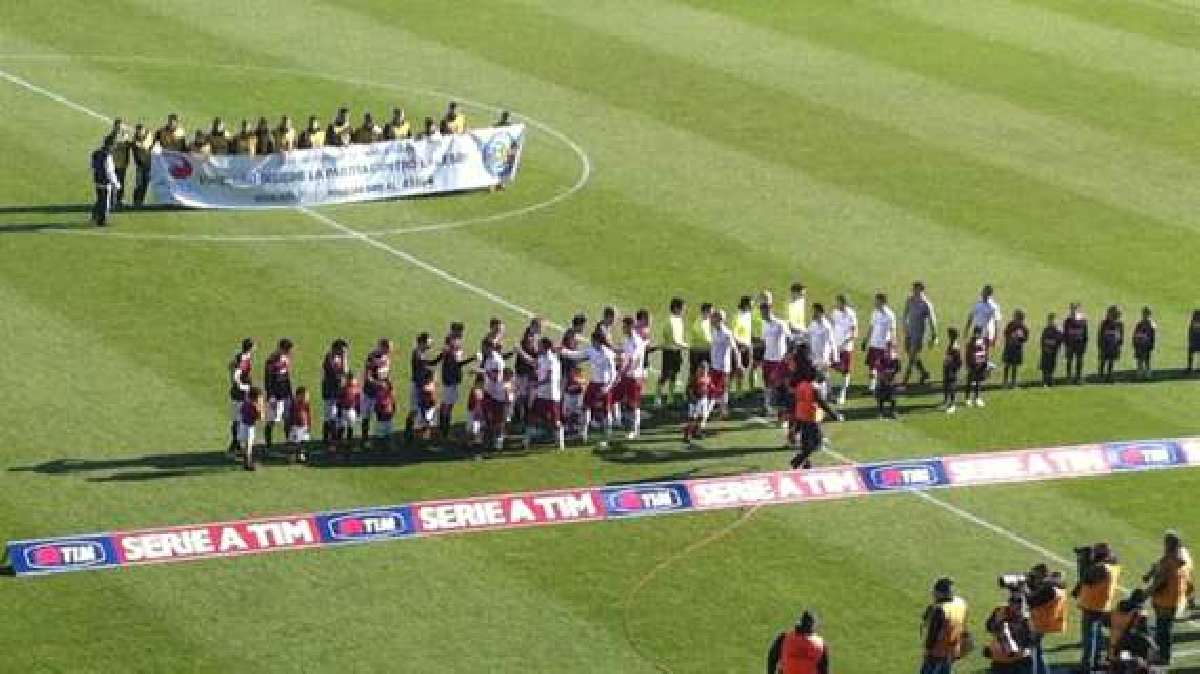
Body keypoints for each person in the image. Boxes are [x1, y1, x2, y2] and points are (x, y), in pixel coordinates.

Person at [1146, 531, 1192, 665]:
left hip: (1164, 601)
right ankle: (1165, 655)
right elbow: (1188, 582)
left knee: (1162, 631)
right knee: (1165, 629)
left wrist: (1144, 594)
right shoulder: (1183, 560)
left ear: (1169, 544)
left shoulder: (1169, 562)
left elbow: (1159, 581)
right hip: (1174, 600)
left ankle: (1163, 656)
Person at [1075, 542, 1122, 672]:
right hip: (1102, 604)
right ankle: (1096, 660)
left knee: (1089, 638)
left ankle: (1087, 665)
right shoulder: (1112, 565)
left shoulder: (1101, 568)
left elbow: (1085, 577)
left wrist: (1082, 561)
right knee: (1097, 636)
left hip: (1093, 606)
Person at [788, 367, 841, 469]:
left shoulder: (801, 385)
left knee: (805, 442)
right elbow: (822, 403)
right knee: (816, 443)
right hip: (810, 417)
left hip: (801, 415)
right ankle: (797, 461)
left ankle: (806, 464)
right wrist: (834, 415)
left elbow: (795, 400)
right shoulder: (814, 388)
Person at [921, 577, 969, 674]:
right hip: (953, 649)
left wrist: (927, 650)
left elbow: (933, 634)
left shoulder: (940, 610)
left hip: (937, 653)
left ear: (940, 593)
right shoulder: (961, 602)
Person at [525, 337, 564, 450]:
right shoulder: (542, 357)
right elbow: (533, 363)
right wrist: (520, 352)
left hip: (551, 395)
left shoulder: (552, 360)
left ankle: (560, 442)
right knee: (532, 417)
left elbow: (549, 378)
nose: (538, 347)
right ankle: (527, 440)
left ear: (545, 347)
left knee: (555, 421)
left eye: (540, 345)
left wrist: (536, 384)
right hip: (541, 394)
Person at [1026, 565, 1067, 674]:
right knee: (1038, 651)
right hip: (1047, 621)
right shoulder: (1056, 586)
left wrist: (1023, 589)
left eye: (1035, 576)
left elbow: (1031, 601)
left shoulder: (1048, 589)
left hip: (1040, 623)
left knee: (1031, 653)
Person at [438, 326, 474, 440]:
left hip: (450, 378)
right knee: (448, 405)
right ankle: (444, 432)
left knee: (447, 404)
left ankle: (442, 429)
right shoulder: (452, 344)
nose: (462, 334)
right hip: (450, 379)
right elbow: (457, 363)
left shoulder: (451, 343)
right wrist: (472, 358)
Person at [405, 333, 442, 442]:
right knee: (416, 410)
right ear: (423, 342)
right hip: (418, 386)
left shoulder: (421, 353)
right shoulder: (417, 354)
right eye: (429, 340)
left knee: (420, 410)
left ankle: (415, 434)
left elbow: (428, 364)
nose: (431, 342)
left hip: (421, 385)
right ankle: (410, 434)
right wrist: (432, 371)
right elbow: (427, 365)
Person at [618, 316, 650, 439]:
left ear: (630, 327)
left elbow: (634, 360)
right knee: (627, 401)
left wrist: (625, 371)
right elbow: (625, 355)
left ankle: (635, 430)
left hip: (635, 377)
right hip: (628, 375)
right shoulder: (628, 340)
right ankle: (630, 425)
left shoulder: (637, 341)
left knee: (634, 404)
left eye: (624, 326)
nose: (622, 328)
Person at [901, 281, 938, 386]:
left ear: (921, 289)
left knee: (912, 358)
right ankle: (924, 373)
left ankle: (904, 382)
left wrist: (934, 336)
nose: (913, 290)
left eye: (915, 288)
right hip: (909, 332)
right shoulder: (910, 300)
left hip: (919, 335)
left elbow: (932, 320)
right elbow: (905, 314)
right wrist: (905, 327)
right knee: (909, 353)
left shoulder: (926, 304)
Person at [983, 594, 1031, 673]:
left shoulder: (1026, 618)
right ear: (1010, 603)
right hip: (1000, 660)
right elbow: (989, 627)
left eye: (1019, 605)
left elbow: (1031, 639)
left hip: (1020, 660)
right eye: (1014, 604)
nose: (1017, 607)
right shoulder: (1001, 611)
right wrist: (998, 620)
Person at [262, 338, 295, 451]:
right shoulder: (271, 361)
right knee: (272, 420)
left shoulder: (286, 359)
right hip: (275, 396)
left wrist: (290, 394)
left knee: (288, 419)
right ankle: (268, 444)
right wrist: (271, 396)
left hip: (286, 394)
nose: (289, 353)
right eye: (287, 350)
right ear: (281, 348)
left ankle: (289, 441)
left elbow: (287, 378)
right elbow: (268, 380)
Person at [762, 301, 793, 418]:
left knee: (779, 386)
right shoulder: (764, 324)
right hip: (767, 358)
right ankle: (768, 407)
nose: (763, 314)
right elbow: (765, 341)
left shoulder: (780, 324)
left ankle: (783, 411)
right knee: (767, 384)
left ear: (770, 310)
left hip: (779, 360)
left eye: (765, 311)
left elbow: (790, 339)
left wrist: (787, 355)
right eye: (762, 311)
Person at [655, 297, 688, 407]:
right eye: (682, 308)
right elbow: (674, 339)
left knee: (674, 374)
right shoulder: (670, 321)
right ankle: (658, 397)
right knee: (665, 374)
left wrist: (682, 345)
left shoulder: (679, 320)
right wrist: (687, 346)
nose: (684, 310)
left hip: (677, 351)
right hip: (669, 351)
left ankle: (670, 397)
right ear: (676, 308)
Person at [1108, 590, 1153, 670]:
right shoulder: (1139, 613)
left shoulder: (1115, 612)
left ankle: (1118, 664)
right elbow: (1145, 632)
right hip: (1126, 647)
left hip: (1113, 650)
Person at [361, 338, 393, 446]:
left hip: (381, 394)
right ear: (382, 347)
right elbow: (367, 377)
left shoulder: (387, 358)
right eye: (388, 348)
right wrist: (378, 383)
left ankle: (381, 439)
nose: (389, 351)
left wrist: (389, 387)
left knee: (382, 415)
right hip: (369, 392)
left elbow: (386, 375)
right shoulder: (372, 357)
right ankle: (365, 439)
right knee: (366, 416)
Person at [710, 309, 741, 419]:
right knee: (714, 388)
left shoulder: (726, 333)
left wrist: (738, 364)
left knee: (722, 389)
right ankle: (720, 409)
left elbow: (735, 349)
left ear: (719, 320)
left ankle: (724, 411)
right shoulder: (714, 331)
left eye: (713, 318)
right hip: (714, 365)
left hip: (723, 367)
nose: (711, 320)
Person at [863, 293, 896, 394]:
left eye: (877, 301)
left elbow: (893, 330)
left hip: (883, 345)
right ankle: (872, 387)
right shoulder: (875, 313)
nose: (875, 303)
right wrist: (865, 340)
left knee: (882, 368)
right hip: (874, 343)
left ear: (883, 302)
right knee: (872, 366)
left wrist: (892, 345)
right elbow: (871, 327)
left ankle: (883, 387)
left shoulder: (890, 314)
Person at [227, 338, 255, 455]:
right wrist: (243, 386)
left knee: (237, 419)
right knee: (239, 419)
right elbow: (236, 375)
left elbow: (230, 366)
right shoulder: (243, 359)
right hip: (240, 394)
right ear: (251, 347)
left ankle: (236, 444)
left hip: (237, 393)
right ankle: (235, 444)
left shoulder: (240, 356)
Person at [320, 339, 350, 448]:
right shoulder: (331, 357)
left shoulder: (338, 357)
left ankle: (337, 439)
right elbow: (344, 371)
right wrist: (344, 358)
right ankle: (331, 440)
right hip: (330, 391)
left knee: (340, 416)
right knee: (331, 416)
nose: (344, 352)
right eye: (342, 350)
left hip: (339, 391)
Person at [481, 339, 509, 452]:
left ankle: (498, 441)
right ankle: (489, 439)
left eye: (484, 347)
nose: (482, 349)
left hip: (498, 394)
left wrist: (482, 372)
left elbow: (496, 378)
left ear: (490, 348)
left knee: (498, 420)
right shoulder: (488, 358)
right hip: (489, 392)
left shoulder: (497, 360)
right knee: (488, 417)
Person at [964, 285, 1002, 366]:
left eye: (985, 293)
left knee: (984, 351)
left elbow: (996, 322)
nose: (983, 294)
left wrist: (996, 337)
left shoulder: (993, 307)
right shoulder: (978, 304)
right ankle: (974, 367)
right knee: (974, 349)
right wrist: (966, 330)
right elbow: (970, 317)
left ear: (989, 294)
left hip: (987, 332)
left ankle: (983, 368)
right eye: (983, 292)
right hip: (977, 330)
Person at [830, 294, 858, 406]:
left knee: (846, 371)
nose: (837, 304)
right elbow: (831, 327)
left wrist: (845, 343)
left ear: (844, 303)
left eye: (839, 302)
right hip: (835, 346)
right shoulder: (835, 313)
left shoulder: (851, 314)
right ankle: (828, 392)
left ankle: (842, 394)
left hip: (846, 348)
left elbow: (855, 332)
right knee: (829, 366)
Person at [89, 136, 120, 227]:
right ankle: (102, 220)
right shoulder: (108, 156)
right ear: (110, 145)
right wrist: (116, 183)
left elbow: (92, 166)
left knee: (100, 199)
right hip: (105, 181)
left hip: (97, 180)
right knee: (106, 201)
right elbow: (109, 171)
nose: (115, 147)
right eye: (114, 145)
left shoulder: (96, 153)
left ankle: (94, 216)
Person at [683, 362, 713, 446]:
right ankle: (687, 434)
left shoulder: (708, 378)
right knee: (693, 418)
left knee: (702, 416)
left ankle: (697, 432)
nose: (704, 371)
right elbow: (689, 390)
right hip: (695, 400)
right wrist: (692, 398)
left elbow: (710, 387)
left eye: (706, 369)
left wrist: (711, 394)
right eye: (702, 369)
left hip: (704, 399)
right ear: (699, 369)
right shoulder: (694, 378)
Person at [104, 118, 132, 207]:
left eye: (120, 126)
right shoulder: (110, 137)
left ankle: (119, 200)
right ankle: (111, 200)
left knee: (121, 182)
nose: (119, 128)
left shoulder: (125, 136)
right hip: (113, 164)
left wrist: (127, 160)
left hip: (122, 163)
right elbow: (108, 148)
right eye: (118, 126)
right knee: (112, 182)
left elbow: (128, 148)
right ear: (115, 126)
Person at [238, 386, 265, 471]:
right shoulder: (254, 406)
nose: (261, 399)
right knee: (249, 445)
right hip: (249, 427)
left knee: (245, 444)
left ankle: (246, 461)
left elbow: (241, 411)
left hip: (243, 425)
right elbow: (261, 417)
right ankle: (248, 464)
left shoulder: (246, 403)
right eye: (260, 398)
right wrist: (261, 408)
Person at [1000, 309, 1029, 389]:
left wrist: (1021, 338)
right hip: (1009, 348)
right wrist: (1011, 337)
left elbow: (1026, 338)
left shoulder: (1023, 327)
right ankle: (1005, 383)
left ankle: (1013, 383)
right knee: (1007, 365)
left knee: (1014, 366)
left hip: (1017, 349)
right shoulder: (1011, 324)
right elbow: (1005, 333)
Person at [733, 296, 755, 396]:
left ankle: (740, 390)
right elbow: (734, 334)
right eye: (751, 303)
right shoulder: (738, 317)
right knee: (737, 370)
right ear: (745, 305)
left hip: (747, 346)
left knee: (744, 368)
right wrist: (742, 343)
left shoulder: (748, 315)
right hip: (740, 347)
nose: (752, 305)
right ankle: (735, 391)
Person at [335, 374, 362, 453]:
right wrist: (339, 411)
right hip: (344, 410)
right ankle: (338, 443)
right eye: (350, 380)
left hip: (352, 410)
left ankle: (349, 443)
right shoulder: (343, 389)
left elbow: (358, 402)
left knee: (351, 427)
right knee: (341, 427)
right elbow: (339, 400)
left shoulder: (357, 390)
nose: (352, 381)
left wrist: (358, 411)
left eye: (353, 380)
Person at [1062, 303, 1088, 385]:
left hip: (1079, 344)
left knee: (1079, 361)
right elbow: (1065, 334)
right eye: (1072, 309)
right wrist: (1066, 344)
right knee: (1069, 361)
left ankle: (1078, 377)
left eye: (1075, 309)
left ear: (1078, 309)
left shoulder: (1083, 320)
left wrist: (1084, 344)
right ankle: (1069, 377)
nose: (1073, 310)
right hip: (1070, 344)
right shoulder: (1067, 320)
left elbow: (1085, 334)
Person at [938, 328, 963, 414]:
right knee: (946, 385)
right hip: (947, 369)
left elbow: (959, 362)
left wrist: (953, 369)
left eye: (950, 335)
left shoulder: (955, 347)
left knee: (951, 387)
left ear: (953, 336)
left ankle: (952, 405)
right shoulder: (951, 344)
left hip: (951, 370)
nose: (948, 336)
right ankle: (946, 401)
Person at [875, 341, 901, 419]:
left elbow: (896, 371)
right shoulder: (881, 359)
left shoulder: (896, 361)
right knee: (880, 396)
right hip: (882, 381)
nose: (888, 353)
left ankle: (893, 411)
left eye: (890, 351)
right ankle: (880, 412)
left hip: (891, 382)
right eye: (887, 351)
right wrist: (883, 376)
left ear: (893, 351)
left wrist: (889, 374)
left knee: (893, 397)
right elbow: (879, 371)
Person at [1098, 305, 1124, 383]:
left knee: (1111, 361)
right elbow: (1100, 335)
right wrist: (1100, 345)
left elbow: (1121, 335)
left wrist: (1119, 345)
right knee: (1103, 361)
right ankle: (1101, 375)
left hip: (1114, 346)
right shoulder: (1104, 323)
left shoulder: (1119, 324)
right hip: (1105, 345)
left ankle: (1109, 376)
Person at [130, 123, 154, 207]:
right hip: (140, 166)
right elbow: (138, 148)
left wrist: (138, 144)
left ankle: (141, 201)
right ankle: (136, 201)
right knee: (139, 184)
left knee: (145, 184)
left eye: (141, 131)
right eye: (138, 132)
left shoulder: (148, 136)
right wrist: (137, 144)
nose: (139, 133)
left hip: (148, 165)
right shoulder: (134, 139)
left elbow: (145, 145)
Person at [287, 386, 312, 463]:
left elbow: (309, 414)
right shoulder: (293, 403)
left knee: (303, 441)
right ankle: (292, 456)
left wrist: (309, 425)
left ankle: (301, 455)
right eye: (305, 396)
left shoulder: (306, 404)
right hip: (296, 426)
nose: (307, 398)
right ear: (299, 395)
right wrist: (291, 425)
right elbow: (291, 415)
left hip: (304, 426)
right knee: (294, 442)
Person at [964, 326, 988, 407]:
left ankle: (977, 398)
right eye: (976, 333)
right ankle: (967, 398)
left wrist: (985, 363)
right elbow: (968, 355)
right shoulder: (971, 342)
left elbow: (985, 353)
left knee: (978, 382)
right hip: (973, 365)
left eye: (979, 333)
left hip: (981, 365)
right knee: (970, 382)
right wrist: (968, 365)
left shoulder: (983, 341)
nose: (978, 335)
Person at [689, 302, 713, 379]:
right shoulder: (699, 323)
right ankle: (691, 389)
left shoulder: (708, 321)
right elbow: (705, 338)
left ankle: (704, 388)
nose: (712, 313)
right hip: (698, 351)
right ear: (706, 311)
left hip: (706, 350)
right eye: (711, 311)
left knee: (707, 371)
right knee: (695, 372)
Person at [1038, 313, 1062, 387]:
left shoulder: (1057, 330)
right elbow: (1042, 340)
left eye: (1053, 321)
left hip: (1053, 352)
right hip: (1046, 351)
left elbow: (1059, 340)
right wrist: (1045, 348)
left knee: (1051, 366)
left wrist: (1055, 347)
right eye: (1050, 320)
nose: (1051, 322)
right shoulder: (1046, 329)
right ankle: (1045, 381)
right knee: (1045, 367)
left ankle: (1050, 380)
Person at [1131, 306, 1156, 380]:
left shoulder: (1151, 324)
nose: (1145, 316)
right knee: (1139, 359)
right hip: (1139, 344)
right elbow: (1135, 334)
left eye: (1147, 314)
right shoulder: (1139, 324)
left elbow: (1152, 336)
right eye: (1144, 314)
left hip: (1146, 344)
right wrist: (1135, 342)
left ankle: (1148, 373)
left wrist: (1151, 344)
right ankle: (1139, 373)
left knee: (1147, 359)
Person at [466, 373, 486, 451]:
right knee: (473, 429)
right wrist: (476, 412)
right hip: (474, 412)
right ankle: (471, 443)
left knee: (479, 428)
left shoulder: (482, 390)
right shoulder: (475, 390)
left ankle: (477, 443)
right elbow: (473, 403)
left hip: (479, 412)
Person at [1189, 310, 1200, 374]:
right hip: (1194, 342)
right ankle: (1190, 367)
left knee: (1191, 354)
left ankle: (1190, 367)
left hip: (1194, 342)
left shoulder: (1193, 323)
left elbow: (1190, 332)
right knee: (1191, 354)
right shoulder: (1193, 323)